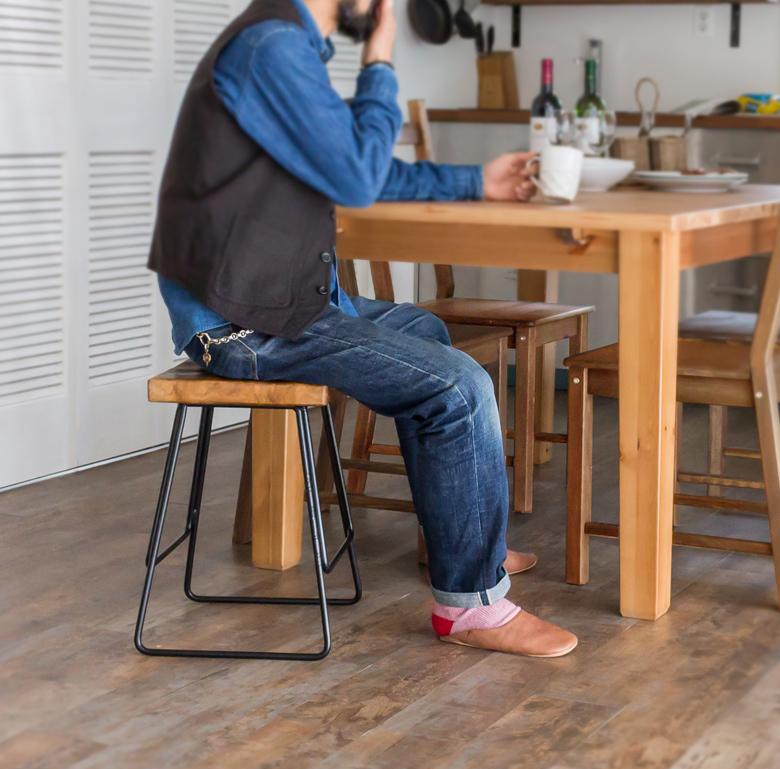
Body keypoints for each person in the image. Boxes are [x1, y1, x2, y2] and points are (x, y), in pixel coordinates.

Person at [149, 0, 577, 658]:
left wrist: (473, 181)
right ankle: (473, 610)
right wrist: (380, 58)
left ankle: (462, 553)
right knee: (458, 387)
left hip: (280, 299)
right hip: (242, 325)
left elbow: (355, 164)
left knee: (427, 330)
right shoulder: (272, 49)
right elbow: (355, 177)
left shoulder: (284, 46)